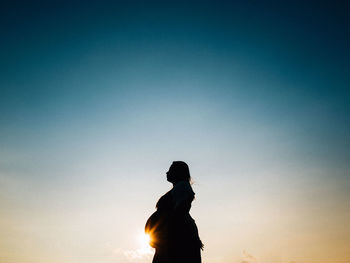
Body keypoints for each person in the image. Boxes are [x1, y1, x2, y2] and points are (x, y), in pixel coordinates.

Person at [145, 161, 203, 263]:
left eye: (170, 170)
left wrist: (166, 233)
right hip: (173, 236)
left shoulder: (182, 186)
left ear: (178, 172)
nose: (167, 172)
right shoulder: (179, 187)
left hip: (177, 237)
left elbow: (180, 210)